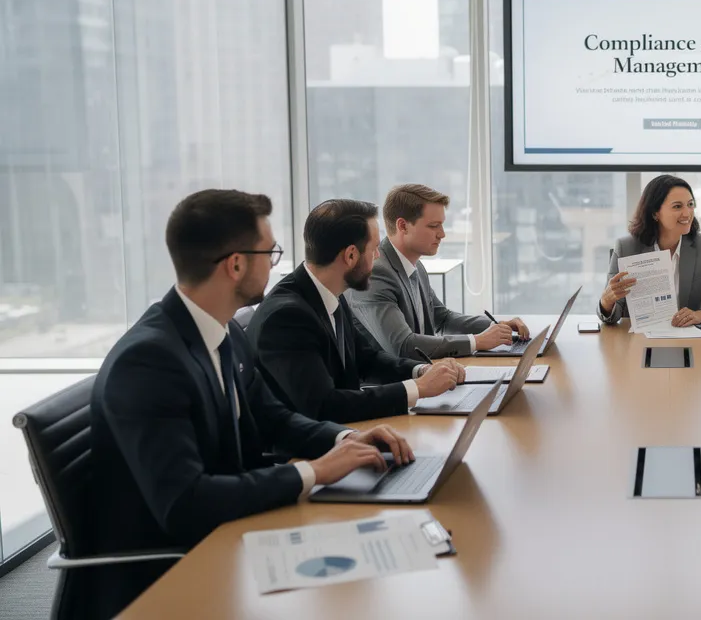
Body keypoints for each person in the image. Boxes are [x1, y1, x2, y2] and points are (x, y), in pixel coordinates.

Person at [88, 190, 415, 619]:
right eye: (270, 252)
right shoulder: (148, 361)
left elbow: (274, 418)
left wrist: (346, 439)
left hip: (233, 534)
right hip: (172, 577)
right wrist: (314, 472)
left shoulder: (223, 331)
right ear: (236, 265)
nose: (277, 264)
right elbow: (185, 503)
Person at [248, 199, 466, 423]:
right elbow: (324, 406)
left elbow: (367, 358)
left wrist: (421, 371)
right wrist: (417, 389)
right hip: (317, 440)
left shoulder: (331, 293)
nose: (378, 256)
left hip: (348, 432)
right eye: (374, 249)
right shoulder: (287, 318)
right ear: (351, 256)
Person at [348, 184, 526, 358]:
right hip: (394, 377)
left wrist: (497, 326)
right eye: (434, 226)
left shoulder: (415, 266)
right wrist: (476, 341)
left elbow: (442, 319)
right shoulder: (375, 274)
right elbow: (403, 346)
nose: (442, 234)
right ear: (403, 226)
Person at [599, 174, 701, 326]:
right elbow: (611, 316)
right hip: (640, 336)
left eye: (690, 204)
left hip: (690, 336)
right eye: (677, 206)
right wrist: (606, 302)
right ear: (655, 213)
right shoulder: (626, 248)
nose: (687, 213)